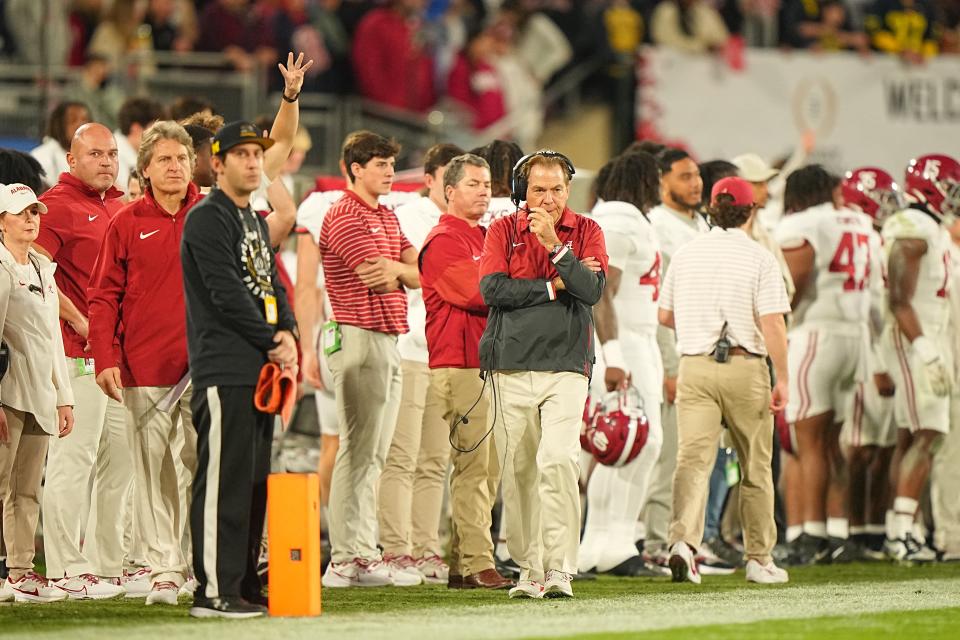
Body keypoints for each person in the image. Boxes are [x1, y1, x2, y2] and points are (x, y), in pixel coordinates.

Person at [181, 121, 298, 618]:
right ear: (218, 161)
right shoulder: (208, 218)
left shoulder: (251, 218)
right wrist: (272, 338)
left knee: (252, 483)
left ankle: (243, 583)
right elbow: (225, 292)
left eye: (257, 154)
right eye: (243, 155)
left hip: (258, 367)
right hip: (225, 365)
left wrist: (289, 331)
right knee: (222, 483)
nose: (253, 162)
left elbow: (271, 282)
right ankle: (212, 591)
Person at [478, 150, 607, 599]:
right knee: (518, 472)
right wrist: (555, 286)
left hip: (567, 365)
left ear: (568, 190)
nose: (548, 198)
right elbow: (492, 290)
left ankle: (560, 568)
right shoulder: (501, 229)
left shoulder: (587, 230)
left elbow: (590, 291)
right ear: (521, 192)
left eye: (556, 189)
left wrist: (556, 246)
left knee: (558, 461)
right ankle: (529, 567)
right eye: (538, 189)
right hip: (510, 364)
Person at [87, 121, 203, 606]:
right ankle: (163, 568)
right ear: (146, 169)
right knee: (152, 472)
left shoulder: (213, 215)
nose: (174, 167)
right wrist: (105, 359)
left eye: (181, 159)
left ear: (193, 164)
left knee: (203, 467)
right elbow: (102, 296)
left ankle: (202, 565)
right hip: (144, 368)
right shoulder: (127, 221)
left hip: (206, 366)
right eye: (164, 160)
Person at [659, 176, 791, 585]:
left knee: (692, 461)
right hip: (744, 365)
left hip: (695, 367)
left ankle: (682, 543)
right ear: (749, 212)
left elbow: (664, 316)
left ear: (713, 208)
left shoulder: (686, 253)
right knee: (755, 467)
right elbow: (772, 322)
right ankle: (759, 559)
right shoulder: (759, 258)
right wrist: (782, 376)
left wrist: (698, 322)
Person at [319, 131, 421, 588]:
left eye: (391, 164)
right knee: (357, 450)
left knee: (374, 454)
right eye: (380, 164)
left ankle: (361, 552)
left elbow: (417, 273)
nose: (389, 172)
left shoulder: (385, 214)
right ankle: (345, 557)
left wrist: (401, 269)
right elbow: (377, 276)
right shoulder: (343, 214)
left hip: (385, 337)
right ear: (355, 168)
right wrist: (403, 270)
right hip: (358, 334)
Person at [36, 123, 130, 600]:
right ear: (71, 160)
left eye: (112, 153)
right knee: (74, 461)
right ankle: (64, 567)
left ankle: (106, 564)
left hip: (120, 359)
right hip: (78, 357)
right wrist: (78, 321)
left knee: (120, 465)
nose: (107, 162)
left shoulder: (120, 205)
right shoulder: (53, 207)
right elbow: (32, 274)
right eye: (95, 154)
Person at [775, 165, 880, 564]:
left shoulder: (804, 221)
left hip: (816, 334)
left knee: (808, 441)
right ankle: (839, 530)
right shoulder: (860, 221)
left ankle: (811, 535)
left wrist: (776, 326)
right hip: (855, 336)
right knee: (832, 441)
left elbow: (792, 285)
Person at [419, 153, 513, 591]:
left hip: (484, 364)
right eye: (473, 183)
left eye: (487, 183)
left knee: (486, 468)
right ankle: (478, 562)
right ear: (448, 191)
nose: (483, 190)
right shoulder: (443, 240)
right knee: (474, 467)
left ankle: (462, 562)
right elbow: (479, 293)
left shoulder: (483, 238)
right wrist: (514, 280)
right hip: (460, 364)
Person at [377, 143, 463, 586]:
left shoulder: (468, 225)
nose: (454, 187)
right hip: (410, 346)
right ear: (429, 179)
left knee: (434, 458)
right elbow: (417, 272)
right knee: (402, 455)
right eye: (447, 177)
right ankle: (395, 548)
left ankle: (427, 546)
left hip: (445, 354)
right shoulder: (411, 216)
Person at [579, 151, 665, 577]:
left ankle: (599, 544)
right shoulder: (619, 221)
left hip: (634, 340)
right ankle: (612, 542)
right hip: (624, 343)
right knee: (637, 441)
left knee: (622, 444)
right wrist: (613, 355)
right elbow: (600, 291)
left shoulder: (622, 218)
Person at [881, 154, 958, 562]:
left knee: (914, 435)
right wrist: (925, 346)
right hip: (914, 336)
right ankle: (900, 532)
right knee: (928, 432)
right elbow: (898, 296)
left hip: (924, 333)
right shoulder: (912, 226)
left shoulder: (932, 227)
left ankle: (903, 528)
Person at [0, 184, 74, 604]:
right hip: (7, 393)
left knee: (27, 490)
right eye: (21, 212)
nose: (31, 219)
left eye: (35, 211)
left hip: (39, 395)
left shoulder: (44, 270)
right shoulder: (0, 268)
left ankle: (20, 573)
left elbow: (52, 341)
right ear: (1, 221)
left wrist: (64, 396)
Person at [642, 148, 708, 572]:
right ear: (662, 180)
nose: (695, 184)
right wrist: (669, 364)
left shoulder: (700, 224)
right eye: (685, 176)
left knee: (695, 456)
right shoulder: (657, 226)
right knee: (668, 454)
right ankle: (653, 540)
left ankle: (685, 541)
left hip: (700, 350)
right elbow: (658, 304)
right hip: (673, 350)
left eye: (697, 176)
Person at [351, 0, 436, 112]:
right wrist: (390, 109)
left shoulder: (419, 28)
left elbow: (425, 76)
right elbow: (369, 74)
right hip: (385, 118)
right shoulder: (375, 24)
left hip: (415, 118)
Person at [30, 102, 91, 189]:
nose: (80, 125)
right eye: (73, 120)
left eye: (84, 120)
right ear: (59, 125)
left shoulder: (97, 155)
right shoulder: (40, 156)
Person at [114, 97, 166, 191]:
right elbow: (126, 198)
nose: (160, 136)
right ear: (136, 129)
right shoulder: (113, 156)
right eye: (155, 130)